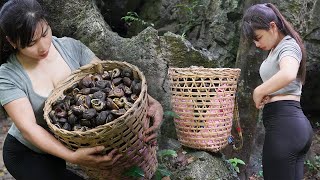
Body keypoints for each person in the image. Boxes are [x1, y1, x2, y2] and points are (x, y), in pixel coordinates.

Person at [0, 0, 164, 180]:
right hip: (27, 153)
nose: (43, 46)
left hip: (63, 147)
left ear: (48, 23)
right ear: (12, 42)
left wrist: (150, 101)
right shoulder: (8, 75)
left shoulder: (70, 47)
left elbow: (108, 79)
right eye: (31, 43)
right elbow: (28, 129)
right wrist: (72, 156)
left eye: (45, 33)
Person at [242, 3, 313, 180]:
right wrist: (271, 93)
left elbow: (288, 73)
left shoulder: (287, 46)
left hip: (286, 127)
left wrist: (259, 91)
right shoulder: (276, 49)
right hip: (289, 126)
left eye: (258, 37)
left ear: (272, 26)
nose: (257, 44)